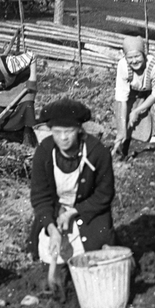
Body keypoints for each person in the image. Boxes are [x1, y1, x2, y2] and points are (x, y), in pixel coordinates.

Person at [27, 98, 116, 294]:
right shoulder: (44, 152)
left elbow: (105, 194)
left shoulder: (97, 153)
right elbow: (40, 197)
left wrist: (74, 212)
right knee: (52, 257)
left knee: (93, 263)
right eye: (57, 132)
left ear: (79, 130)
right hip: (56, 212)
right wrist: (51, 228)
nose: (63, 138)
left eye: (68, 132)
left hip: (89, 213)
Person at [112, 35, 155, 159]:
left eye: (137, 56)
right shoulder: (123, 66)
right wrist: (121, 130)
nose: (134, 61)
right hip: (135, 91)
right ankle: (123, 146)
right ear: (125, 57)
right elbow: (121, 99)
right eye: (130, 57)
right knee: (126, 113)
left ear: (144, 54)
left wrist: (137, 111)